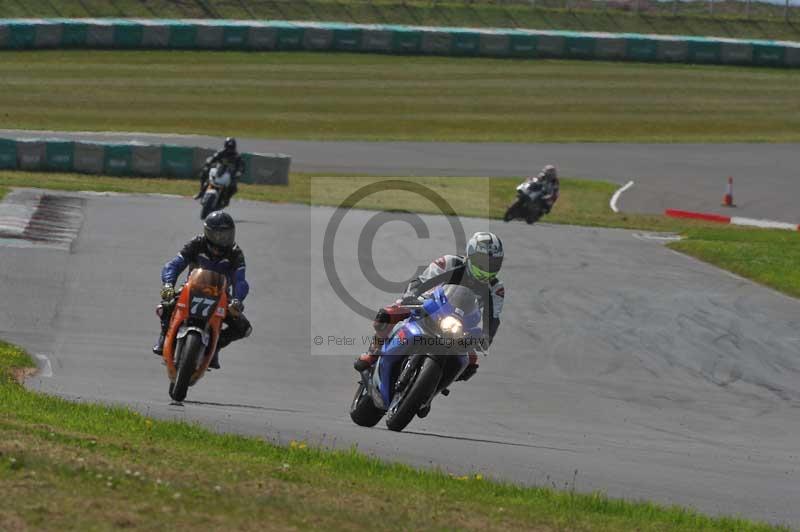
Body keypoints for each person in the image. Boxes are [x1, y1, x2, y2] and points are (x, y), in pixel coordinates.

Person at [354, 232, 505, 384]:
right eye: (483, 261)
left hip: (461, 326)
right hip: (431, 307)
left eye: (493, 263)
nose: (487, 267)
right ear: (470, 255)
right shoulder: (450, 263)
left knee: (471, 362)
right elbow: (421, 282)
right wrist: (409, 299)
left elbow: (493, 319)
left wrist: (486, 338)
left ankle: (431, 389)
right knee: (387, 315)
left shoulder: (496, 289)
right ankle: (373, 352)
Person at [152, 211, 252, 369]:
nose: (223, 239)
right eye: (218, 235)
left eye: (227, 234)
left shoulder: (235, 253)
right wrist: (168, 285)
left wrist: (237, 300)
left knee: (244, 328)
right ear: (208, 233)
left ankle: (216, 345)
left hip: (221, 296)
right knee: (166, 305)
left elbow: (241, 281)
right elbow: (173, 265)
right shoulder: (196, 243)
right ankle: (164, 337)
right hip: (191, 289)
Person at [194, 137, 245, 207]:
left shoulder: (237, 157)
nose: (229, 149)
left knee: (233, 188)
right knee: (204, 173)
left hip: (230, 174)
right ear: (225, 146)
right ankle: (201, 192)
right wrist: (208, 162)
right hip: (219, 171)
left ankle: (226, 199)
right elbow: (213, 158)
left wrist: (239, 172)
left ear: (234, 147)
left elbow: (241, 166)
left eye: (231, 147)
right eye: (228, 147)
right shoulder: (221, 152)